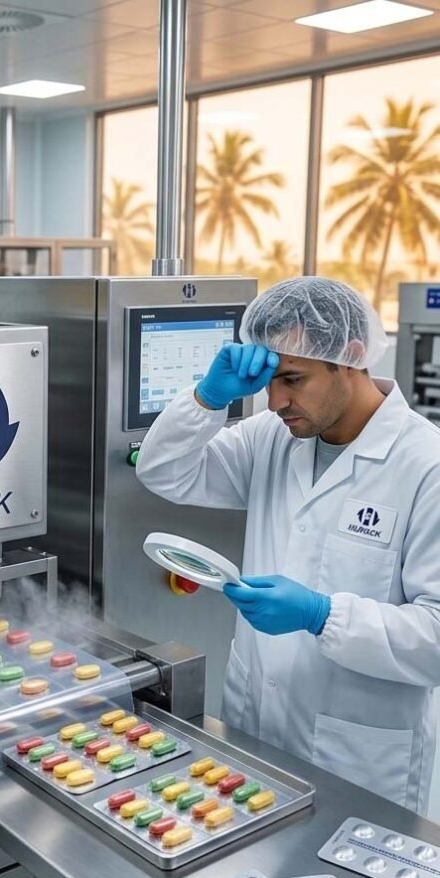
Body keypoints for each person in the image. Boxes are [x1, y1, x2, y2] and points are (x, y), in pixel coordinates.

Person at [136, 277, 440, 813]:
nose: (275, 401)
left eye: (293, 379)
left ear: (350, 357)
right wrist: (207, 399)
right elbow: (165, 472)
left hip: (360, 760)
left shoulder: (425, 467)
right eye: (269, 382)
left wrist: (323, 616)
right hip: (254, 732)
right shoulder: (272, 437)